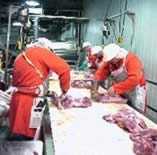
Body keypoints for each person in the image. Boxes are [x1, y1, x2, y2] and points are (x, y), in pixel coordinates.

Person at [8, 37, 71, 140]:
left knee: (17, 131)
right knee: (29, 134)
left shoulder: (22, 55)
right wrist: (65, 90)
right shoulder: (41, 52)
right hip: (31, 101)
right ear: (47, 48)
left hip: (17, 99)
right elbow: (65, 69)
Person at [91, 43, 147, 113]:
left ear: (117, 56)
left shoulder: (131, 59)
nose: (109, 62)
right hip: (123, 90)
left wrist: (116, 88)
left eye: (111, 60)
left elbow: (135, 79)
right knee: (124, 111)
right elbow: (99, 74)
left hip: (136, 92)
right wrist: (94, 90)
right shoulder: (110, 62)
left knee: (136, 114)